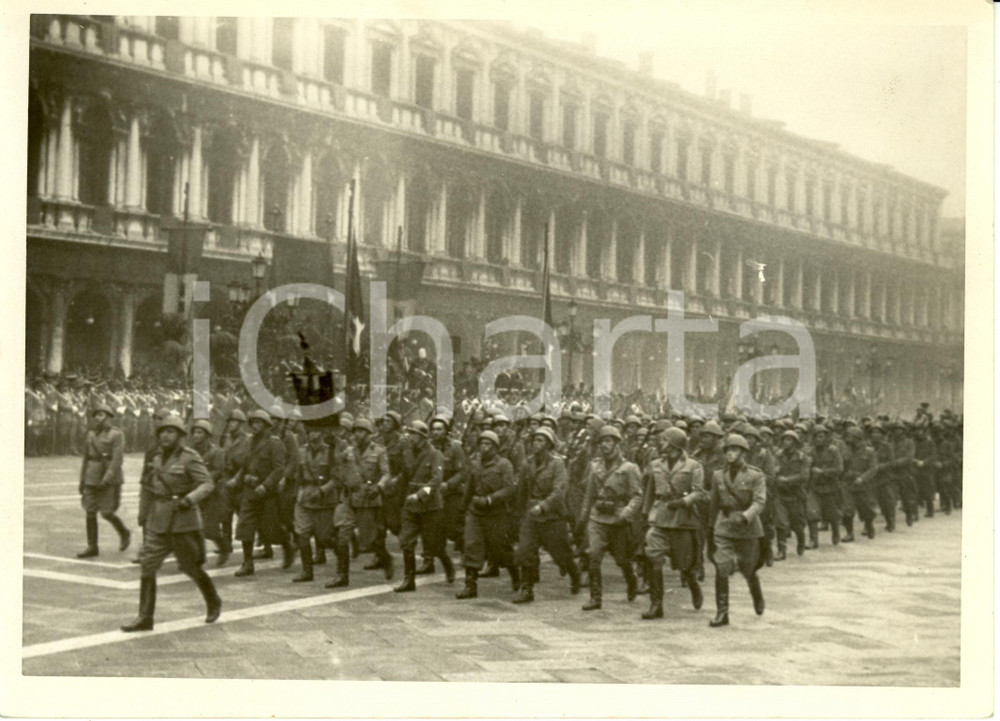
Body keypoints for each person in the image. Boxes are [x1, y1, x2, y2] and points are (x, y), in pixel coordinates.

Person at [121, 415, 221, 632]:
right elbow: (147, 487)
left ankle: (213, 601)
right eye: (163, 432)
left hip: (182, 521)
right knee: (148, 565)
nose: (165, 436)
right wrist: (143, 513)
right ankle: (145, 617)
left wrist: (189, 499)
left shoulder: (189, 457)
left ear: (180, 436)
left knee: (190, 567)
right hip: (158, 521)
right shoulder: (154, 457)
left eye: (171, 432)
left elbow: (207, 483)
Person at [641, 427, 706, 619]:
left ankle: (693, 584)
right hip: (660, 517)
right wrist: (646, 515)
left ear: (674, 445)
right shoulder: (655, 464)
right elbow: (649, 491)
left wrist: (684, 501)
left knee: (684, 564)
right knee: (654, 557)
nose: (661, 443)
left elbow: (699, 492)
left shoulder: (694, 466)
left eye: (665, 440)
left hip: (682, 519)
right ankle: (656, 604)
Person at [578, 425, 643, 611]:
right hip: (598, 517)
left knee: (622, 560)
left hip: (618, 518)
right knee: (594, 556)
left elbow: (637, 495)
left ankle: (631, 581)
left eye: (608, 441)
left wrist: (627, 512)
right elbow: (589, 495)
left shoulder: (629, 468)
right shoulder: (595, 467)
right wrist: (583, 518)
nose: (604, 445)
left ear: (616, 444)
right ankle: (595, 597)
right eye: (602, 442)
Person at [512, 426, 580, 604]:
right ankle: (527, 589)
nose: (536, 443)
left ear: (549, 444)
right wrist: (519, 514)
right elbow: (522, 491)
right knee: (525, 551)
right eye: (534, 440)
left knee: (561, 553)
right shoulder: (528, 463)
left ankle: (574, 573)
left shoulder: (557, 464)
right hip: (531, 514)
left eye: (541, 440)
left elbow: (559, 492)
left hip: (552, 516)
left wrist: (543, 506)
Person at [707, 434, 767, 627]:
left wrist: (746, 516)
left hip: (747, 529)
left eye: (734, 449)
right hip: (724, 526)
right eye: (727, 450)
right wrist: (710, 527)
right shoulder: (718, 475)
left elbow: (759, 501)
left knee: (748, 568)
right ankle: (722, 613)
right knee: (722, 566)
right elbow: (714, 503)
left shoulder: (755, 475)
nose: (730, 453)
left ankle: (756, 595)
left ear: (743, 452)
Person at [455, 431, 519, 599]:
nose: (484, 447)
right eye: (482, 444)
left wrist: (490, 500)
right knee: (471, 545)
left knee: (499, 549)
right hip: (475, 512)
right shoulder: (475, 465)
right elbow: (469, 489)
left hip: (496, 514)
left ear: (495, 448)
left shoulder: (505, 465)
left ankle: (515, 575)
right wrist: (462, 510)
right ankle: (470, 585)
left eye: (488, 444)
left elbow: (509, 489)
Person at [393, 421, 455, 592]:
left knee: (434, 545)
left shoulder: (435, 454)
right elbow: (404, 476)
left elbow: (436, 481)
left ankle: (447, 565)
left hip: (430, 506)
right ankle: (408, 579)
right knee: (407, 542)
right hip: (410, 505)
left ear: (421, 436)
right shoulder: (407, 453)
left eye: (412, 434)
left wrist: (420, 495)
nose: (409, 437)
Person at [229, 410, 287, 577]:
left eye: (258, 423)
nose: (254, 426)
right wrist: (237, 479)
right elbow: (245, 466)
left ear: (267, 426)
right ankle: (247, 563)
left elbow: (278, 469)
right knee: (245, 526)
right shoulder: (249, 442)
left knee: (271, 529)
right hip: (250, 491)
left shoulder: (274, 443)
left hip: (266, 494)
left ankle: (288, 546)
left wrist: (266, 485)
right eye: (253, 422)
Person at [77, 403, 131, 558]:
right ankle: (92, 546)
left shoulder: (117, 434)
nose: (98, 418)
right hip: (91, 476)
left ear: (109, 417)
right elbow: (86, 459)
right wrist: (82, 480)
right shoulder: (91, 434)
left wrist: (107, 479)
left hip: (108, 478)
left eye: (102, 415)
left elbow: (117, 459)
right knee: (90, 511)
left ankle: (124, 532)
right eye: (96, 415)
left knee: (107, 512)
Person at [351, 418, 394, 580]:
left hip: (370, 496)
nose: (357, 434)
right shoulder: (350, 451)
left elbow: (386, 473)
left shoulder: (379, 451)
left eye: (361, 431)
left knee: (371, 536)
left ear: (369, 434)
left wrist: (379, 486)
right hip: (353, 495)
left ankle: (385, 559)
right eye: (355, 431)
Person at [290, 427, 333, 584]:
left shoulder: (330, 451)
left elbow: (336, 477)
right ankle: (307, 571)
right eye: (308, 431)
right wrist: (296, 494)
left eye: (314, 431)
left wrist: (322, 491)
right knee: (302, 532)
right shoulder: (302, 451)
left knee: (325, 537)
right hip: (306, 495)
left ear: (321, 432)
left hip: (323, 498)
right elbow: (298, 475)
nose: (311, 434)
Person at [188, 419, 230, 565]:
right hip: (196, 493)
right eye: (194, 432)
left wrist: (202, 479)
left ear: (207, 435)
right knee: (192, 526)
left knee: (209, 528)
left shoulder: (216, 452)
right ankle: (196, 556)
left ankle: (224, 548)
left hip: (213, 494)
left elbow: (218, 471)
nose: (195, 435)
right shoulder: (190, 451)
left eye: (199, 432)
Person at [809, 425, 844, 546]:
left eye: (821, 436)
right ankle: (813, 540)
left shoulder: (833, 450)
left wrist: (823, 472)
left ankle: (836, 534)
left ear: (826, 438)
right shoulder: (810, 451)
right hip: (815, 486)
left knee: (832, 514)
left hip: (830, 487)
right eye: (816, 436)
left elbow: (839, 469)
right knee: (812, 512)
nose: (819, 439)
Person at [841, 427, 878, 540]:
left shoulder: (869, 451)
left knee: (866, 510)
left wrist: (862, 478)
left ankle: (869, 525)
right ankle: (849, 533)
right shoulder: (845, 451)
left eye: (850, 437)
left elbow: (873, 468)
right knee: (847, 510)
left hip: (863, 486)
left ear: (857, 438)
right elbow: (841, 466)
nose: (848, 439)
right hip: (849, 484)